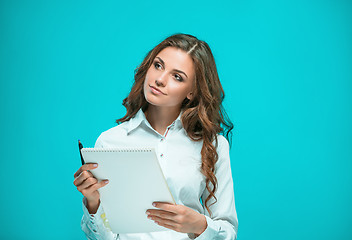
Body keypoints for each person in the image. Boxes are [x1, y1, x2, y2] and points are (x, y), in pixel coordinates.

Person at [73, 33, 238, 240]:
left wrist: (199, 225)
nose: (160, 79)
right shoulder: (109, 142)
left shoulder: (213, 145)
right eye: (158, 65)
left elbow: (228, 232)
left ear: (192, 91)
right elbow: (101, 237)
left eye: (177, 76)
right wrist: (93, 201)